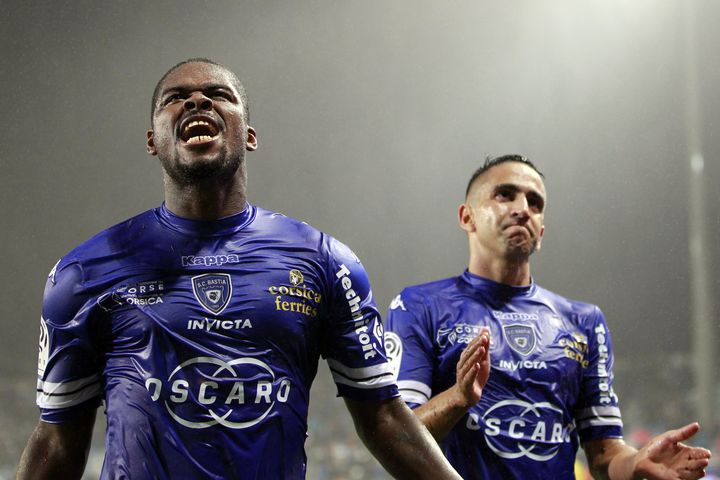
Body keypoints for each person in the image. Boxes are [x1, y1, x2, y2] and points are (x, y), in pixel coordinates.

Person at [16, 58, 463, 480]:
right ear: (153, 140)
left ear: (248, 135)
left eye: (218, 93)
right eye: (175, 97)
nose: (197, 101)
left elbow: (384, 416)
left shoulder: (325, 262)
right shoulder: (85, 272)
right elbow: (58, 437)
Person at [384, 154, 712, 479]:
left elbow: (603, 454)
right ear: (466, 217)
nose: (522, 208)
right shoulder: (419, 306)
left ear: (541, 231)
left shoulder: (584, 322)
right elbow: (395, 437)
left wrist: (636, 461)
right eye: (504, 195)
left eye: (535, 203)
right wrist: (459, 398)